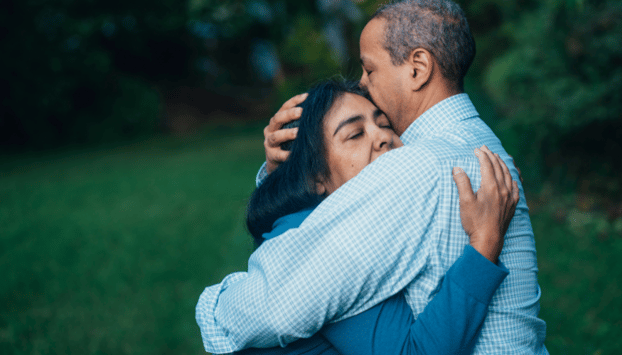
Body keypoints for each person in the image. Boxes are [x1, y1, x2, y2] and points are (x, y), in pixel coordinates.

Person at [198, 0, 547, 353]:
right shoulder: (480, 145)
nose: (364, 84)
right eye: (354, 133)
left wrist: (213, 307)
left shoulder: (416, 167)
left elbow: (273, 306)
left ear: (418, 68)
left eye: (369, 69)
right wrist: (285, 172)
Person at [214, 79, 516, 355]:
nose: (383, 137)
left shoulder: (319, 219)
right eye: (355, 134)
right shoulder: (330, 248)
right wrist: (484, 244)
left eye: (385, 124)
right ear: (316, 177)